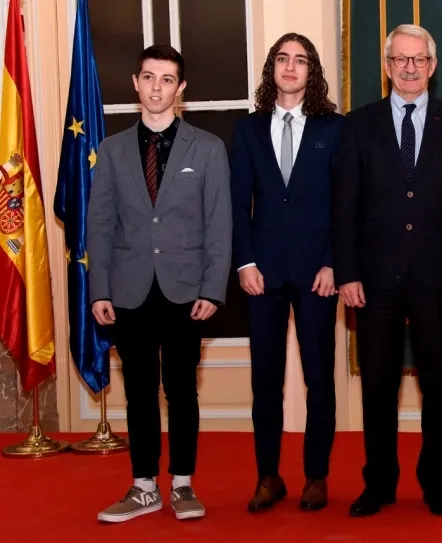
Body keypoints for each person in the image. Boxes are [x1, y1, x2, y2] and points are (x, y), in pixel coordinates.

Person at [332, 24, 442, 517]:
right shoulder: (358, 125)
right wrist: (348, 272)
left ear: (433, 66)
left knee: (437, 387)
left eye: (419, 59)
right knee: (378, 386)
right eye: (401, 59)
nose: (410, 68)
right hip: (374, 280)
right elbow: (345, 205)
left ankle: (437, 484)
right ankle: (378, 484)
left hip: (440, 279)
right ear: (387, 65)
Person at [87, 45, 231, 523]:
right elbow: (100, 224)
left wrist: (213, 289)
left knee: (181, 390)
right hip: (128, 290)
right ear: (135, 83)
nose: (156, 87)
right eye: (148, 77)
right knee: (140, 392)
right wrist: (99, 290)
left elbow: (220, 224)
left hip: (186, 291)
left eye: (167, 79)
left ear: (181, 88)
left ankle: (184, 485)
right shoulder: (110, 151)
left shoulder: (207, 149)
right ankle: (143, 485)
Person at [230, 33, 343, 514]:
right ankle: (268, 476)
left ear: (311, 70)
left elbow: (347, 204)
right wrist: (245, 262)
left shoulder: (335, 129)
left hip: (319, 272)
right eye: (283, 59)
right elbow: (236, 202)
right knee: (265, 381)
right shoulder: (249, 130)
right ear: (271, 69)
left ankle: (316, 476)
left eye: (300, 60)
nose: (291, 67)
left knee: (320, 378)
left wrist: (334, 262)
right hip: (263, 274)